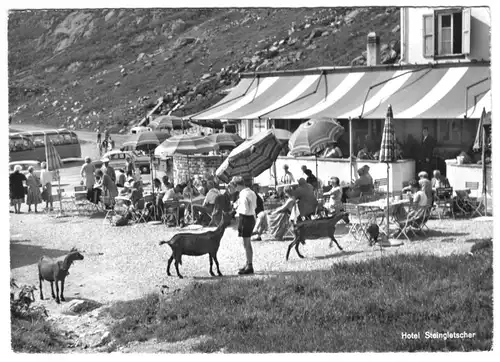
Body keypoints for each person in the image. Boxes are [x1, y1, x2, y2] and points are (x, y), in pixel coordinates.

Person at [231, 176, 257, 275]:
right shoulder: (251, 192)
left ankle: (249, 265)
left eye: (234, 186)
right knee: (247, 243)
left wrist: (237, 207)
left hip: (245, 217)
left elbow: (245, 209)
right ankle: (248, 263)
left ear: (237, 185)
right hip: (251, 217)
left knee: (246, 244)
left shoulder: (243, 194)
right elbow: (254, 206)